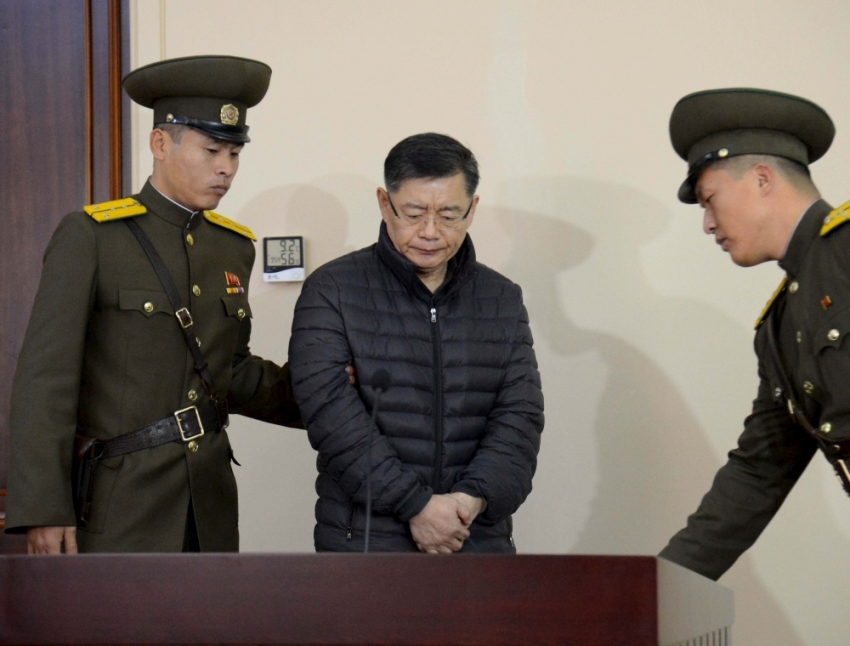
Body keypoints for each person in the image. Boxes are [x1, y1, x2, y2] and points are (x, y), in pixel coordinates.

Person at [5, 55, 307, 554]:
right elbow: (46, 380)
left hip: (208, 504)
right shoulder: (92, 237)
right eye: (212, 150)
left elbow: (230, 372)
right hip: (121, 506)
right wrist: (44, 507)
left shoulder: (232, 247)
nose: (226, 169)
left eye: (234, 154)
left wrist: (325, 389)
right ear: (160, 143)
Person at [288, 133, 544, 554]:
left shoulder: (501, 298)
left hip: (475, 536)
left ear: (473, 209)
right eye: (413, 213)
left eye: (448, 215)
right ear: (384, 203)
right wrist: (416, 505)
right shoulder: (333, 290)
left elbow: (520, 416)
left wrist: (467, 502)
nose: (430, 232)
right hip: (366, 541)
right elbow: (330, 416)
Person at [659, 88, 849, 580]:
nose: (707, 224)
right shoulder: (779, 329)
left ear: (762, 179)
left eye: (709, 199)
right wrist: (658, 587)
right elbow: (760, 471)